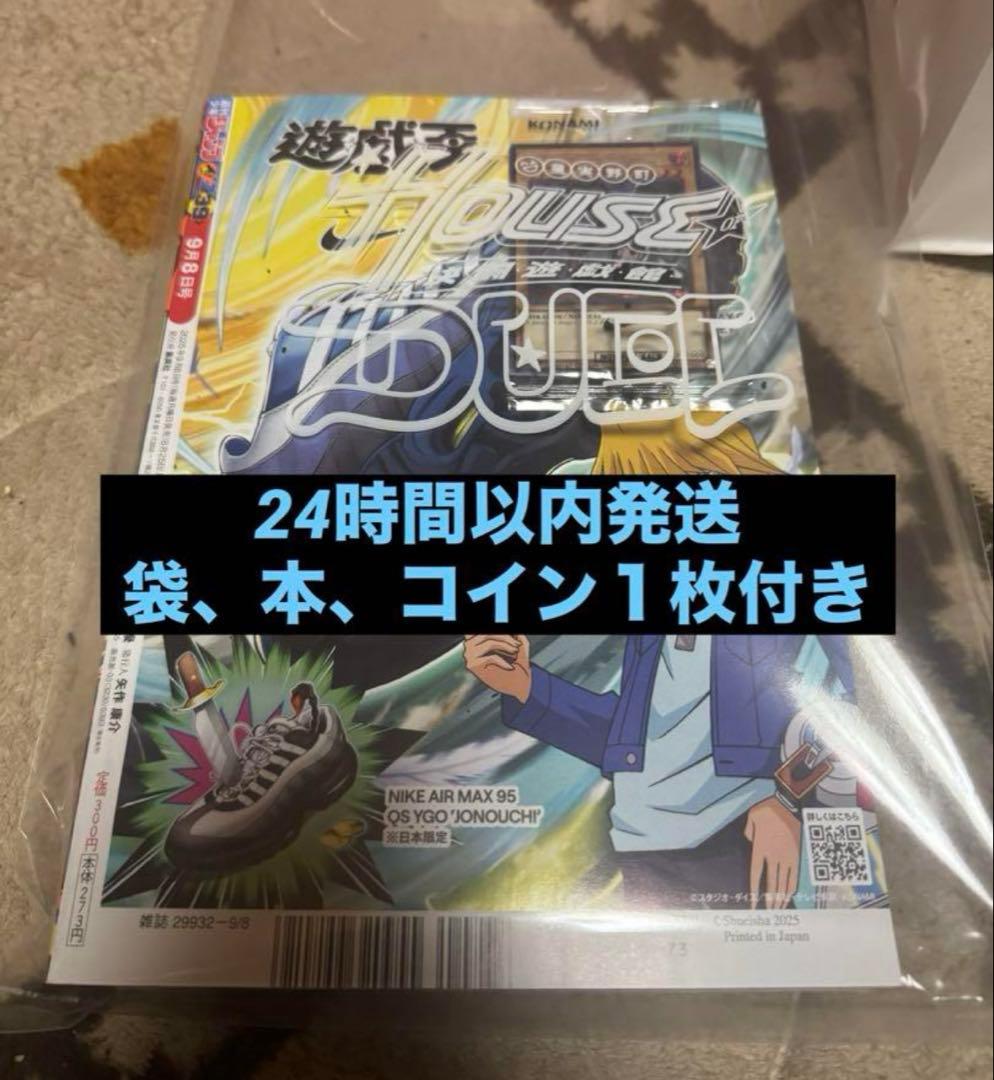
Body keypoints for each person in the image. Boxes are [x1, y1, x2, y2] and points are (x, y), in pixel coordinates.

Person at [464, 415, 853, 910]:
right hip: (642, 844)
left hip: (742, 833)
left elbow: (867, 704)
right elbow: (637, 743)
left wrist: (787, 799)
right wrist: (525, 687)